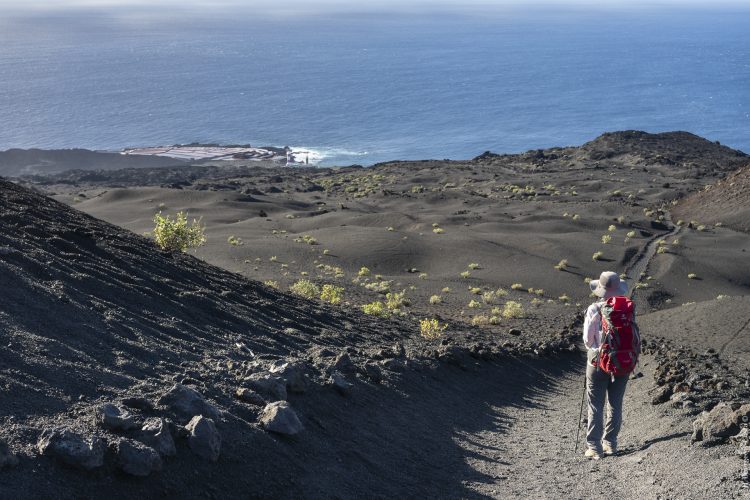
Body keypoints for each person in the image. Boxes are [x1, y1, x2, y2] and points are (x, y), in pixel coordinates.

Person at [582, 271, 630, 459]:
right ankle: (610, 444)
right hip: (623, 362)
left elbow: (588, 339)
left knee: (595, 405)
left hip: (597, 362)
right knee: (615, 404)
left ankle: (594, 447)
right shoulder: (626, 309)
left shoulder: (594, 309)